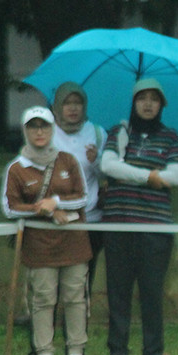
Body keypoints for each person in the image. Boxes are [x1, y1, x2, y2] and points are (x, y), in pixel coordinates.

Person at [100, 78, 178, 355]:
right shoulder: (118, 132)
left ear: (161, 104)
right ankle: (118, 351)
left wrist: (129, 171)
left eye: (154, 99)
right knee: (118, 291)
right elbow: (108, 165)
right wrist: (149, 176)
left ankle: (153, 352)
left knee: (151, 292)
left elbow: (176, 176)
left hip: (155, 227)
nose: (147, 104)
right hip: (118, 224)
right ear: (133, 102)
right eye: (142, 98)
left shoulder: (170, 137)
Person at [2, 107, 92, 355]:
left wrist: (56, 202)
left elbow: (83, 197)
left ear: (52, 130)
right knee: (42, 299)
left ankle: (76, 350)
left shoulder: (68, 160)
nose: (39, 132)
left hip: (73, 242)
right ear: (25, 131)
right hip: (38, 246)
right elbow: (10, 207)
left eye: (44, 126)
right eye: (33, 127)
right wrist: (44, 210)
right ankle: (44, 352)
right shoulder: (16, 168)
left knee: (75, 296)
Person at [51, 82, 107, 282]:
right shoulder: (46, 133)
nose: (73, 108)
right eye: (67, 103)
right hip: (55, 219)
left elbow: (107, 176)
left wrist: (96, 161)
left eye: (78, 103)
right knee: (53, 281)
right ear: (57, 106)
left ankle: (80, 315)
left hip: (89, 219)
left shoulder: (97, 133)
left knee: (83, 280)